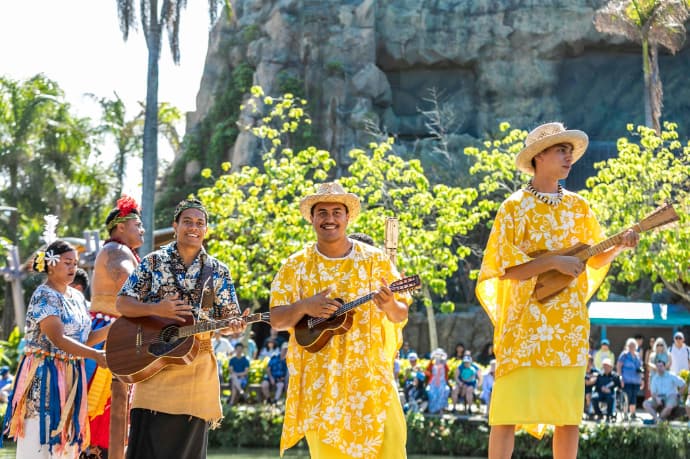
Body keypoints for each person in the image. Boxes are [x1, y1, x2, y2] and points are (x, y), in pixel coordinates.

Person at [475, 122, 639, 459]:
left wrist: (621, 245)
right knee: (506, 416)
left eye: (570, 151)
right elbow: (505, 270)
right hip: (524, 328)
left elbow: (593, 259)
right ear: (538, 156)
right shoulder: (514, 207)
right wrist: (554, 263)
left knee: (568, 419)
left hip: (568, 327)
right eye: (560, 150)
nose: (568, 157)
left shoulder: (579, 207)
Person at [269, 182, 411, 458]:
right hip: (321, 387)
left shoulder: (374, 260)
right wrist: (305, 306)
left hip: (371, 382)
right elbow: (276, 320)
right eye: (322, 212)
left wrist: (390, 304)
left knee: (392, 448)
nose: (330, 218)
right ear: (312, 218)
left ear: (348, 217)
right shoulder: (295, 265)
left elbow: (400, 314)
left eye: (337, 211)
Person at [116, 198, 246, 459]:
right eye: (187, 221)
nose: (193, 227)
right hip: (152, 367)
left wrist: (234, 326)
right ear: (175, 225)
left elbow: (230, 319)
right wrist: (156, 309)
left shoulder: (219, 271)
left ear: (206, 229)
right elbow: (122, 302)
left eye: (200, 223)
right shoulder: (153, 262)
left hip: (196, 372)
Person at [3, 239, 110, 457]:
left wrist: (114, 327)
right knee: (39, 438)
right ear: (51, 265)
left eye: (75, 263)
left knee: (66, 443)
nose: (73, 268)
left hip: (72, 378)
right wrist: (94, 355)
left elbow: (85, 338)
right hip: (45, 377)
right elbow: (57, 339)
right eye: (67, 262)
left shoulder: (78, 297)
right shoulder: (44, 294)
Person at [87, 195, 145, 459]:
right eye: (137, 224)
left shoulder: (123, 251)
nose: (142, 229)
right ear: (120, 227)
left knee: (118, 410)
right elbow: (127, 279)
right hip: (108, 333)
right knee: (106, 409)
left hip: (118, 332)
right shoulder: (115, 251)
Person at [643, 359, 686, 423]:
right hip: (659, 398)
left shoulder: (671, 375)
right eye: (657, 366)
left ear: (664, 367)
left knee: (669, 406)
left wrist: (678, 395)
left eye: (661, 366)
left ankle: (659, 419)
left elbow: (683, 384)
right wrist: (657, 398)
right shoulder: (655, 378)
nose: (659, 368)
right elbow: (653, 393)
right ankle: (657, 419)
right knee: (646, 404)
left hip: (671, 396)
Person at [617, 337, 643, 419]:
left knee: (634, 396)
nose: (632, 347)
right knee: (627, 396)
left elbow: (640, 367)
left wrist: (642, 379)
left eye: (633, 346)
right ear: (628, 346)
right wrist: (620, 377)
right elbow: (619, 366)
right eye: (630, 346)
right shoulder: (624, 355)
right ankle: (625, 413)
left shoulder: (637, 356)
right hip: (626, 379)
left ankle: (632, 413)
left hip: (636, 380)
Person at [425, 348, 450, 414]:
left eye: (440, 355)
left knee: (443, 391)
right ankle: (432, 409)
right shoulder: (432, 363)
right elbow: (426, 372)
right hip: (433, 382)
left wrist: (444, 361)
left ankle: (440, 409)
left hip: (442, 382)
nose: (438, 356)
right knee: (431, 392)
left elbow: (447, 371)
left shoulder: (444, 364)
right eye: (437, 354)